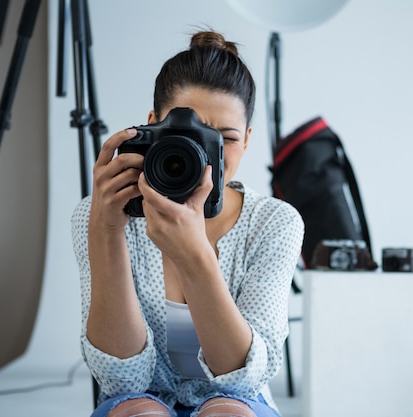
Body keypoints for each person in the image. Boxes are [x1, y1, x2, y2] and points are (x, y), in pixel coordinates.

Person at [71, 30, 304, 417]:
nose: (205, 158)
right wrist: (107, 230)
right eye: (185, 136)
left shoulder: (273, 223)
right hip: (136, 404)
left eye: (224, 139)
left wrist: (194, 254)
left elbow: (243, 381)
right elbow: (122, 382)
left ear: (247, 141)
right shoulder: (104, 211)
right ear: (150, 126)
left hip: (239, 403)